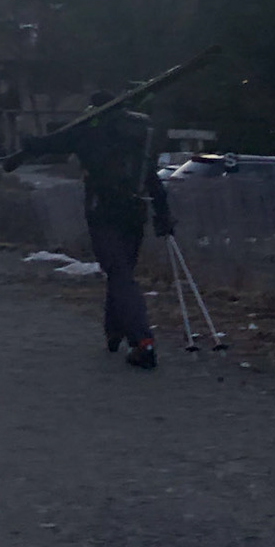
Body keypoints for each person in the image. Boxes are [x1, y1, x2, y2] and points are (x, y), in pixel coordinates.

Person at [14, 104, 175, 369]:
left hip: (103, 215)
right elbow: (151, 178)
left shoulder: (88, 132)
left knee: (119, 274)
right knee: (120, 273)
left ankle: (142, 341)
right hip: (135, 214)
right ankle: (114, 332)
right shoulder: (135, 134)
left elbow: (50, 144)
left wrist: (27, 142)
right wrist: (163, 215)